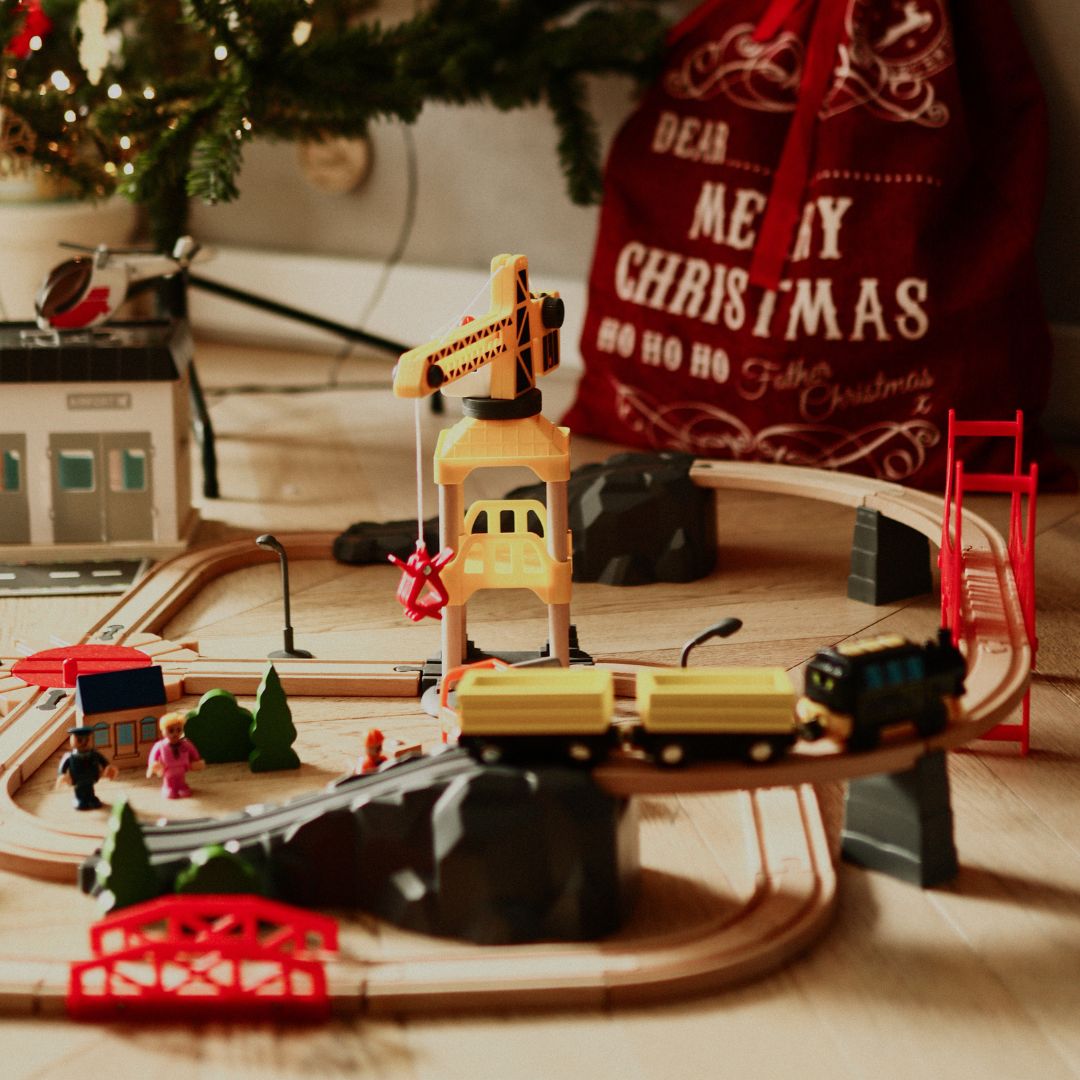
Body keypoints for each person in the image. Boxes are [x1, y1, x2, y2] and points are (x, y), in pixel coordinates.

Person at [56, 723, 118, 810]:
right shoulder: (70, 756)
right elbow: (62, 768)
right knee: (80, 790)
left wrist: (108, 768)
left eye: (87, 740)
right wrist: (62, 775)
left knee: (89, 789)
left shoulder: (94, 754)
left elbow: (104, 762)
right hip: (78, 779)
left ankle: (91, 798)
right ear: (73, 740)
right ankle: (80, 799)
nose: (84, 743)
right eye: (80, 740)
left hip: (91, 777)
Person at [146, 711, 205, 798]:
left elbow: (193, 751)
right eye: (171, 730)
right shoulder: (160, 745)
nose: (175, 733)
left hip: (182, 768)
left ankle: (182, 787)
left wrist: (196, 760)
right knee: (169, 781)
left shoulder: (185, 744)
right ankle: (169, 788)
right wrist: (154, 764)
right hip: (168, 769)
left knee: (181, 780)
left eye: (178, 730)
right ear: (163, 731)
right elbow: (153, 755)